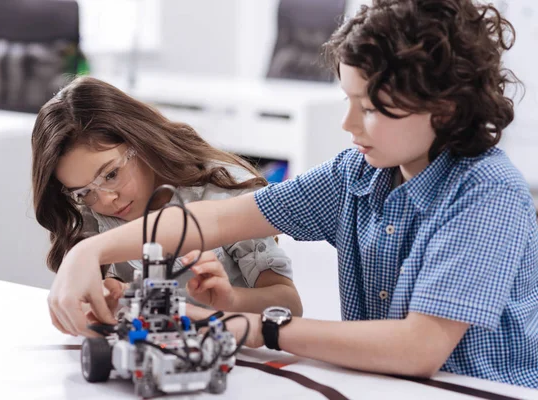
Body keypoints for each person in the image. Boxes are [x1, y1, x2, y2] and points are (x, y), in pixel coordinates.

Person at [45, 0, 538, 388]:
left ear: (444, 108)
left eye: (368, 108)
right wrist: (92, 250)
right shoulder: (356, 175)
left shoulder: (486, 196)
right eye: (347, 101)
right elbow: (213, 220)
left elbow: (418, 348)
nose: (347, 124)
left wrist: (256, 327)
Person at [31, 76, 303, 324]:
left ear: (139, 140)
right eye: (83, 192)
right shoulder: (91, 208)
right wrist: (108, 294)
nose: (107, 199)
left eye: (111, 174)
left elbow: (290, 305)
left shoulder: (222, 189)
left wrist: (231, 300)